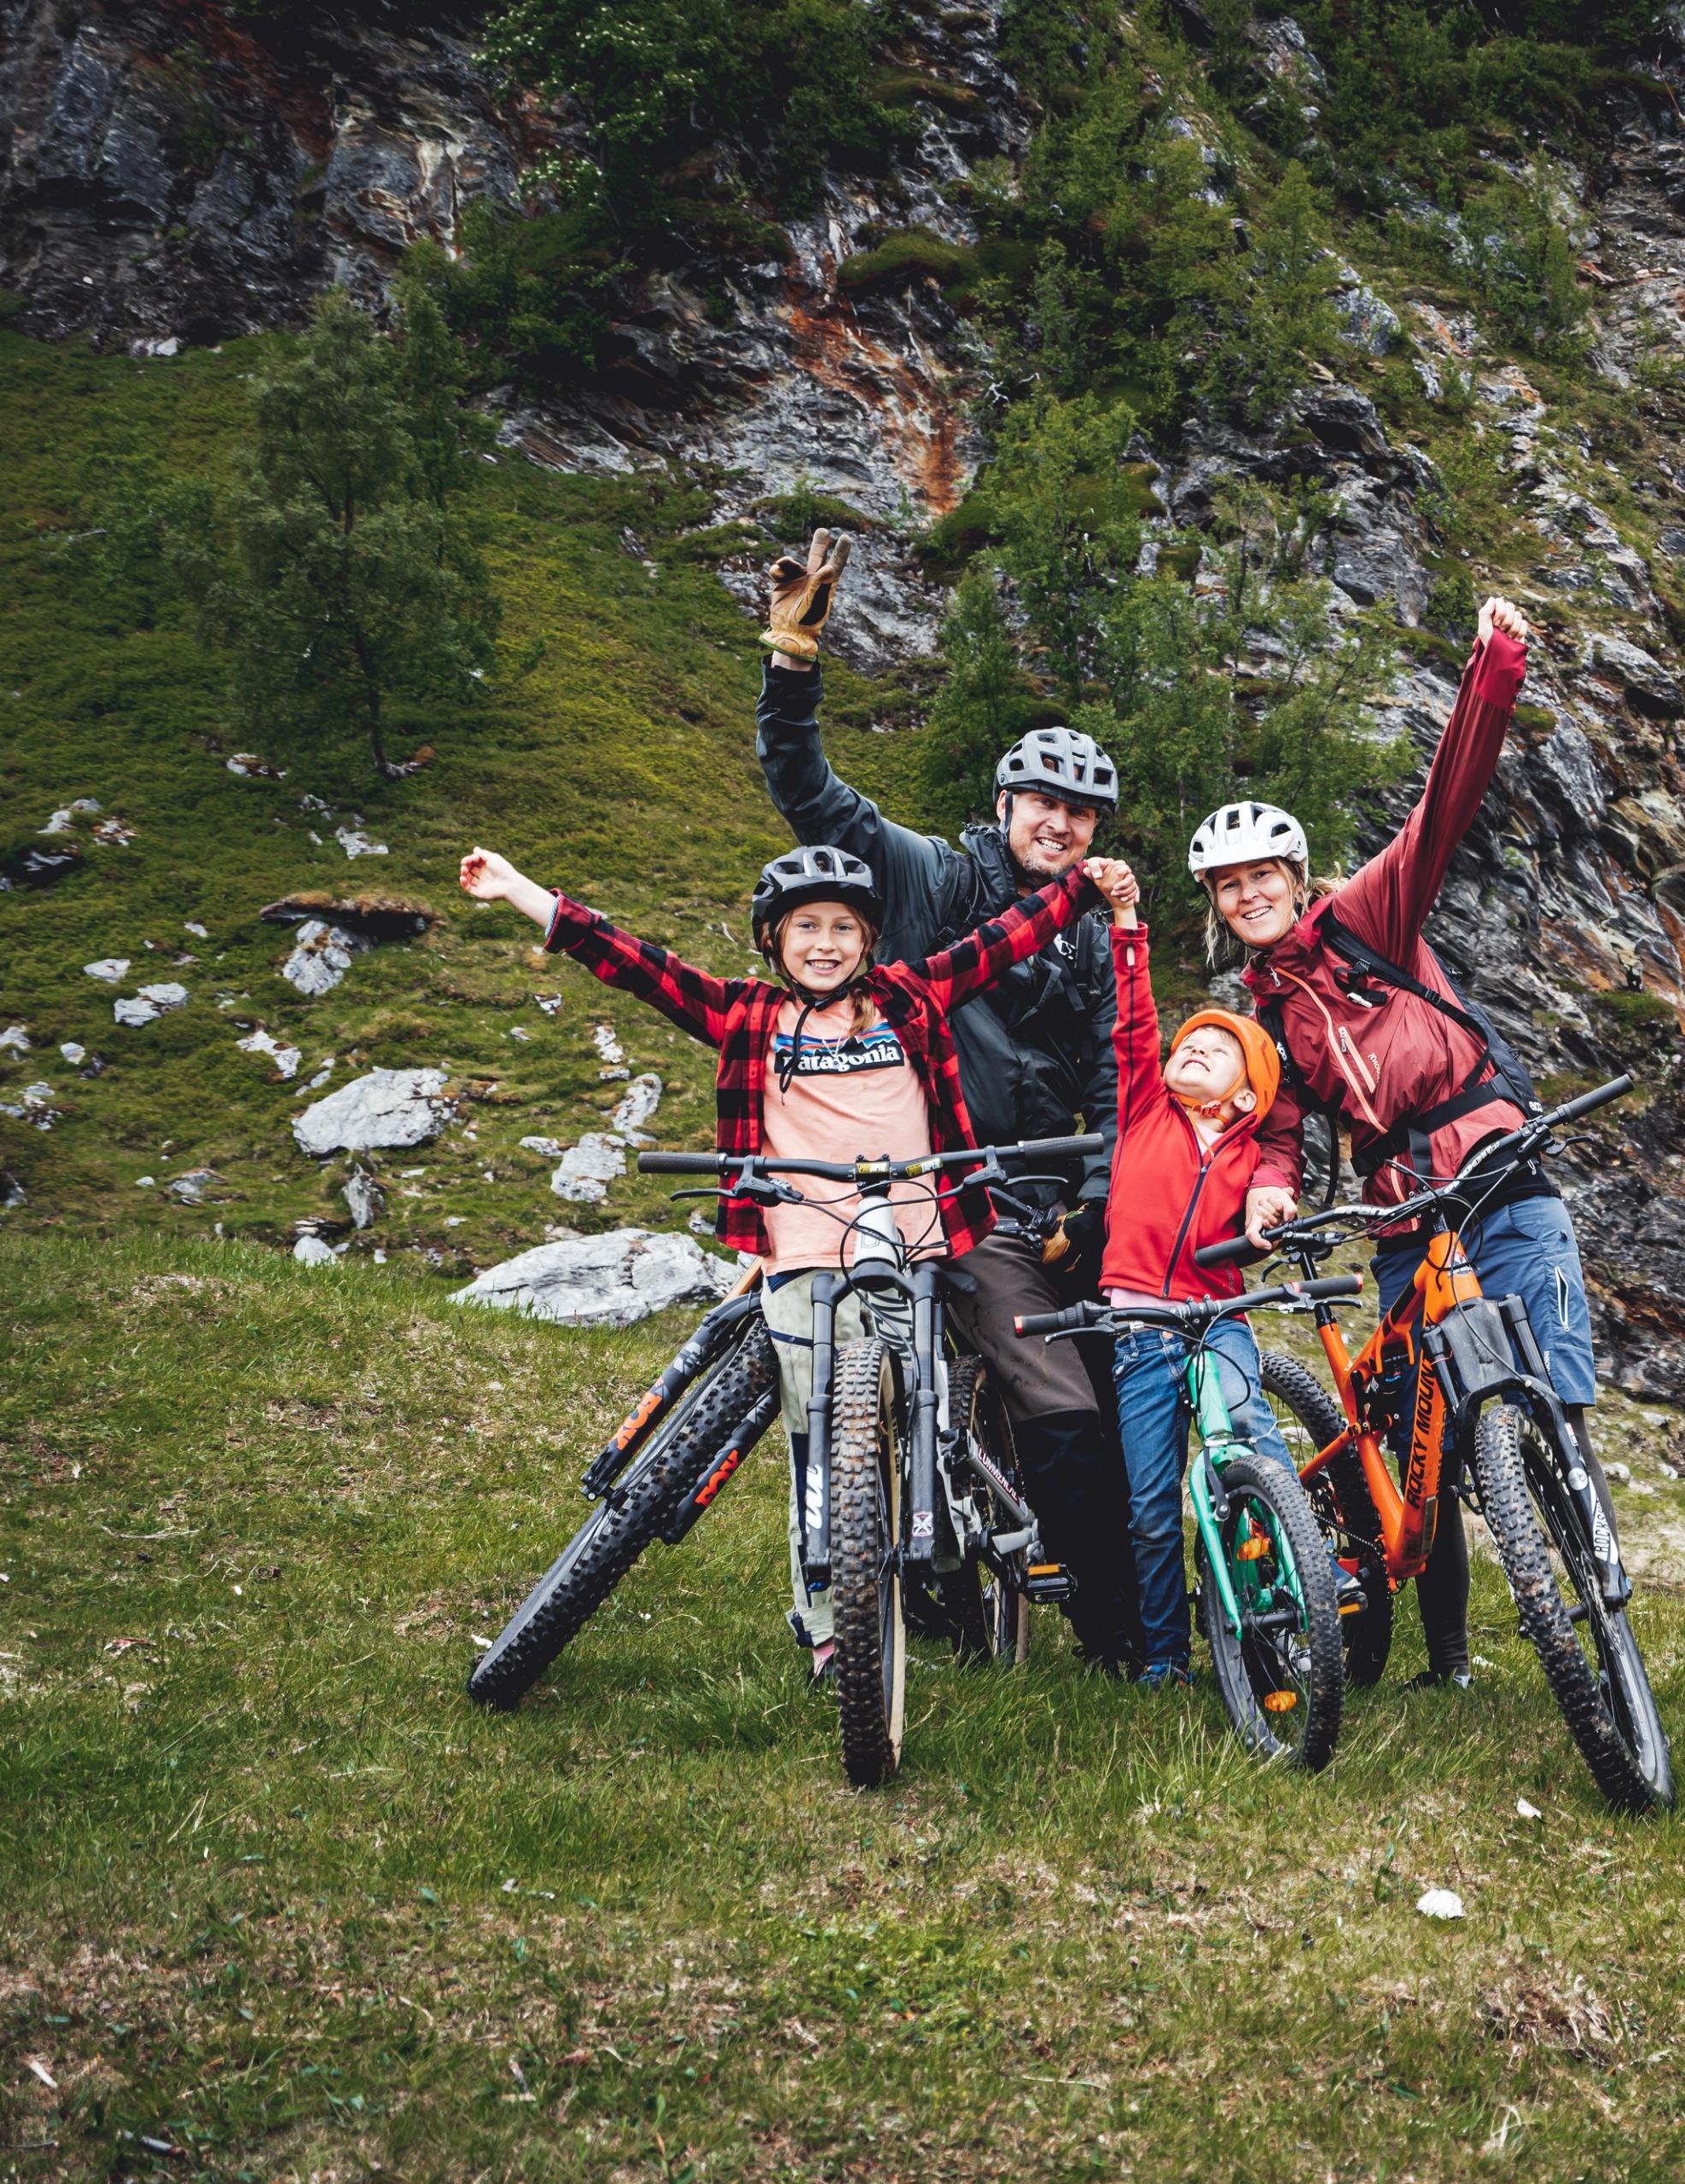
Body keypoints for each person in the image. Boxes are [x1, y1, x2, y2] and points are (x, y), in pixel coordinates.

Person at [453, 836, 1124, 1672]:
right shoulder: (748, 1016)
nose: (825, 943)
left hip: (918, 1236)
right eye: (805, 926)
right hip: (804, 1245)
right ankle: (829, 1618)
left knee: (930, 1406)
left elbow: (1003, 941)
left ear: (869, 939)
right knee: (817, 1418)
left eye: (843, 927)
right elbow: (636, 963)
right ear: (773, 941)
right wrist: (518, 887)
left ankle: (948, 1554)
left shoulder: (909, 998)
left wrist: (1080, 890)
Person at [751, 531, 1144, 1670]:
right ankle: (1120, 1635)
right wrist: (793, 658)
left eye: (1080, 813)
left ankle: (1156, 1584)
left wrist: (1097, 1195)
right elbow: (808, 794)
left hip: (1059, 1199)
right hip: (950, 1199)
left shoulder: (1091, 929)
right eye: (1042, 801)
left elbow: (1117, 1073)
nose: (1059, 823)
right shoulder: (933, 880)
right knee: (1056, 1391)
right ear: (1007, 800)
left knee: (1139, 1383)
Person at [1194, 595, 1591, 1689]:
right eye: (1230, 888)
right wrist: (1268, 1196)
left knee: (1548, 1387)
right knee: (1430, 1435)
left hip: (1499, 1170)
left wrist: (1492, 664)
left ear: (1295, 872)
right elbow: (1273, 1135)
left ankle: (1591, 1568)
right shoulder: (1263, 1020)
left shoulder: (1371, 917)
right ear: (1219, 906)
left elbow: (1444, 802)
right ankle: (1451, 1659)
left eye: (1263, 875)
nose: (1250, 894)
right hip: (1401, 1209)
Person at [1081, 859, 1301, 1687]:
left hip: (1221, 1321)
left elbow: (1279, 1180)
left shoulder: (1251, 1152)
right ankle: (1166, 1653)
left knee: (1252, 1455)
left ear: (1247, 1097)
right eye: (1192, 1043)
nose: (1195, 1049)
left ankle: (1284, 1605)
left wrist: (1272, 1211)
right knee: (1149, 1507)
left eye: (1219, 1049)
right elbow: (1135, 1023)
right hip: (1141, 1329)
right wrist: (1128, 925)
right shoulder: (1146, 1108)